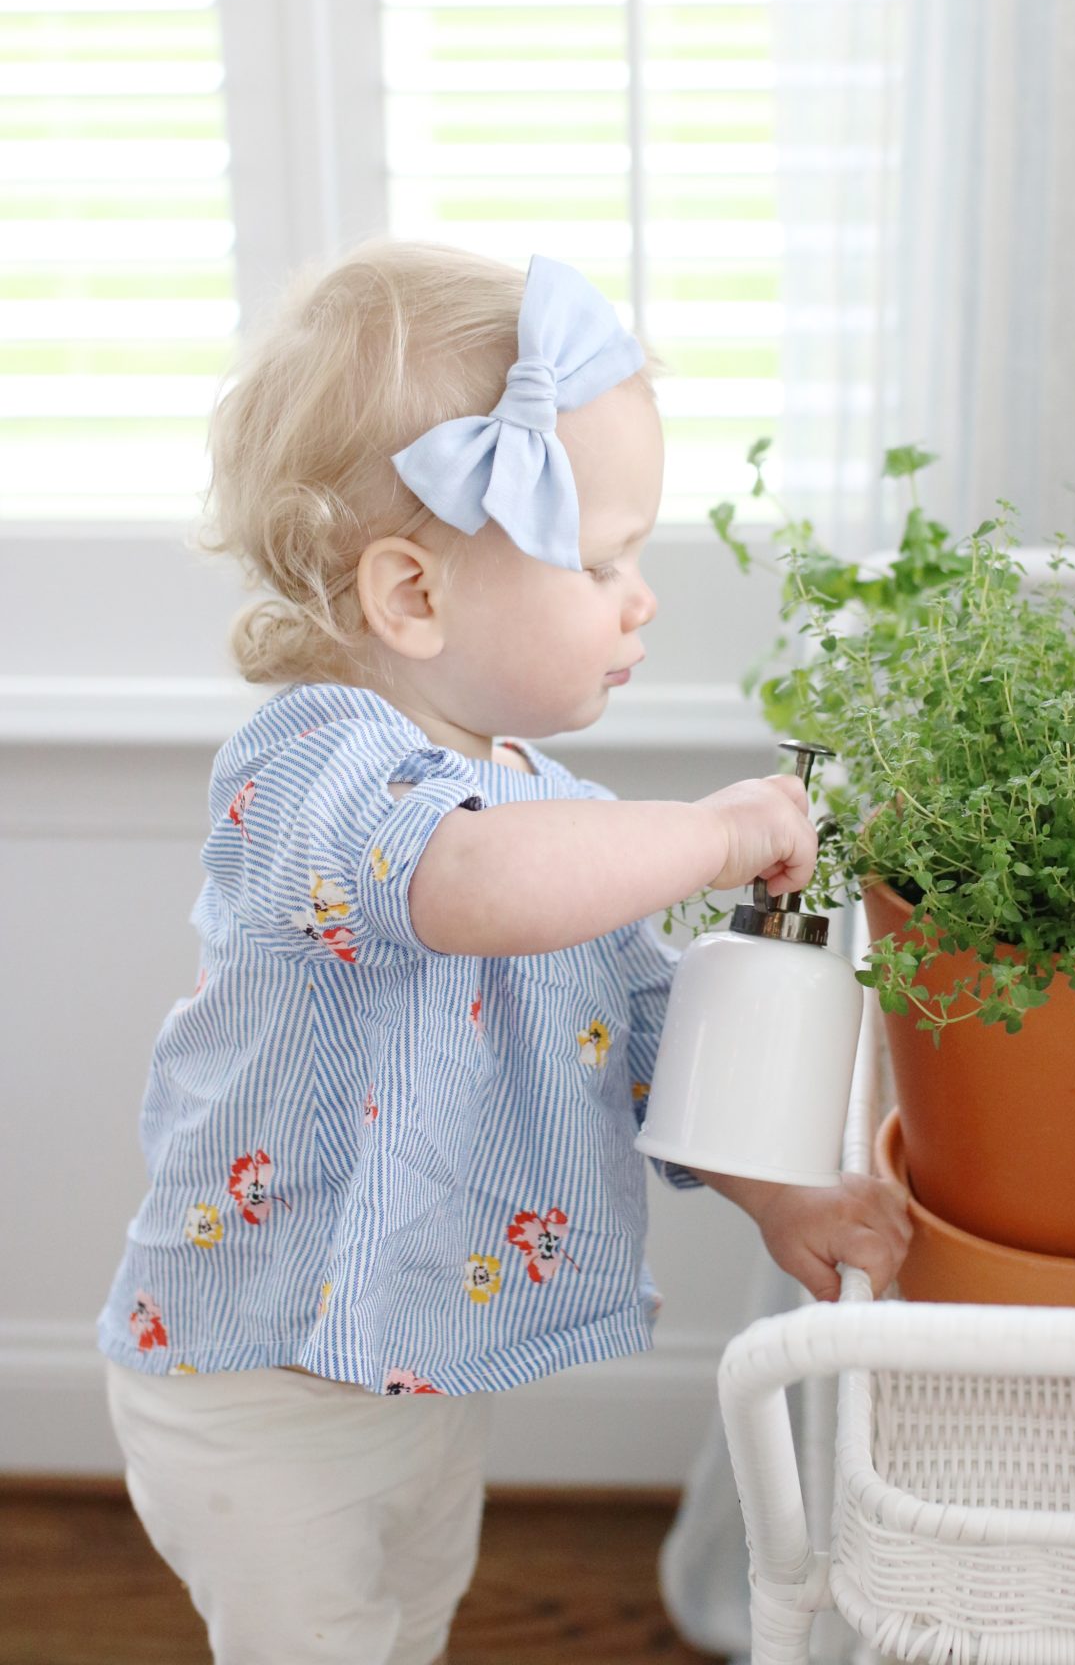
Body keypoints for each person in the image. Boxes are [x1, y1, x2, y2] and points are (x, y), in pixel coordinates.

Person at [96, 240, 912, 1665]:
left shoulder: (556, 823)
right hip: (257, 1377)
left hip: (417, 1354)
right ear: (412, 597)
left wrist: (775, 1198)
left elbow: (654, 1036)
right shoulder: (311, 769)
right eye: (599, 560)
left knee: (411, 1611)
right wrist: (712, 837)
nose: (639, 596)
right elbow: (459, 881)